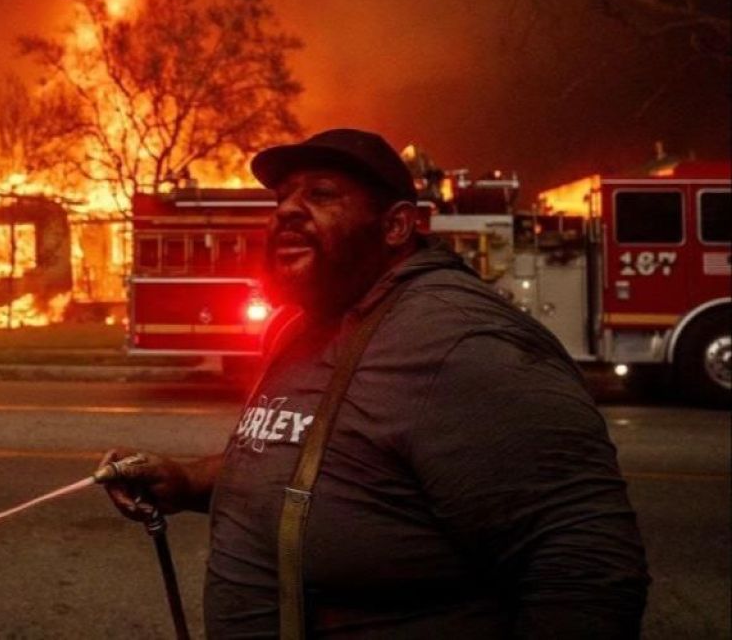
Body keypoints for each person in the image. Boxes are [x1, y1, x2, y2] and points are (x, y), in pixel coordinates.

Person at [99, 129, 649, 638]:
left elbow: (586, 567)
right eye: (282, 197)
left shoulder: (459, 342)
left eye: (320, 194)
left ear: (396, 226)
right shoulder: (307, 325)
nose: (287, 210)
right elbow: (314, 457)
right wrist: (189, 480)